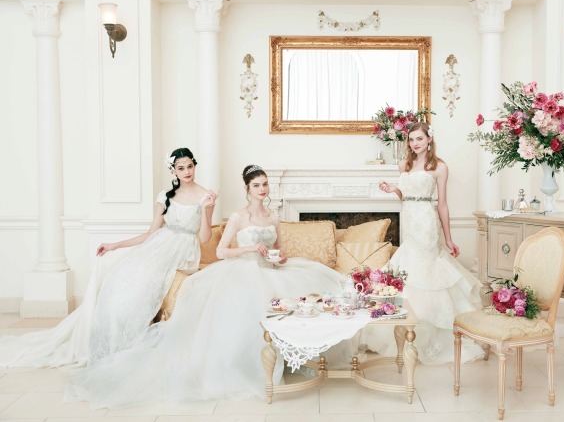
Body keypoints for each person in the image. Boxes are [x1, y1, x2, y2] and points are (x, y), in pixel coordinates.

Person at [65, 165, 344, 408]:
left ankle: (290, 358)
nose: (262, 189)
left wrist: (278, 257)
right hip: (244, 269)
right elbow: (222, 252)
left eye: (265, 184)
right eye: (257, 185)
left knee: (304, 297)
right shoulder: (238, 217)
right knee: (248, 302)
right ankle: (247, 365)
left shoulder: (272, 217)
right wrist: (249, 248)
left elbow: (280, 250)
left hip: (271, 270)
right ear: (247, 189)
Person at [0, 148, 217, 367]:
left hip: (184, 253)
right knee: (119, 275)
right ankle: (113, 339)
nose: (187, 171)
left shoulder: (205, 197)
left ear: (195, 166)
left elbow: (205, 237)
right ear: (173, 171)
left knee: (145, 278)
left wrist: (206, 209)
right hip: (158, 247)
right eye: (181, 168)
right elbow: (151, 233)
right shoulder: (166, 196)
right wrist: (114, 245)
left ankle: (130, 341)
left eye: (190, 166)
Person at [364, 122, 485, 364]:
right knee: (408, 269)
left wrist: (448, 238)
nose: (415, 143)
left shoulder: (439, 167)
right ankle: (407, 331)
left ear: (429, 139)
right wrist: (394, 189)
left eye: (419, 138)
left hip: (427, 223)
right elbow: (407, 196)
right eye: (411, 139)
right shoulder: (404, 165)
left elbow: (442, 205)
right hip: (409, 220)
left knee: (426, 270)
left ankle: (432, 333)